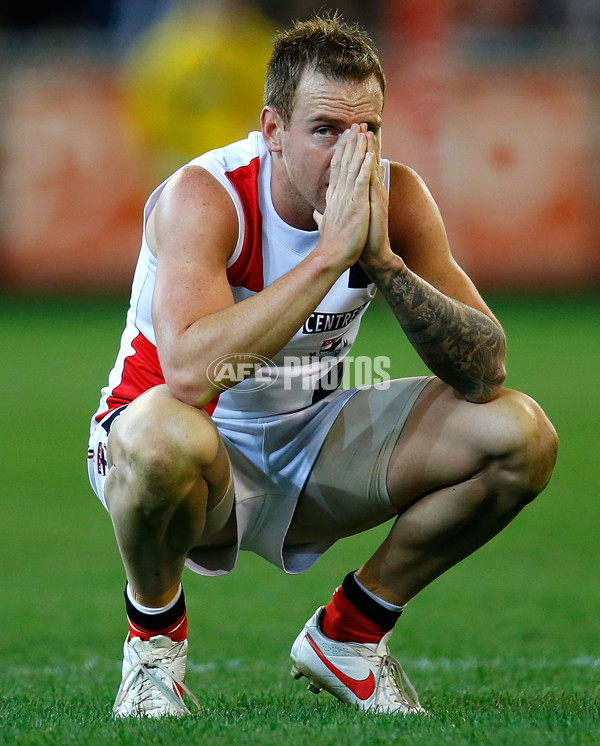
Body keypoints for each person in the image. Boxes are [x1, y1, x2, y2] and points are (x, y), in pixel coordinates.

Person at [87, 12, 558, 718]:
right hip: (181, 456)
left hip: (311, 443)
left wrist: (385, 264)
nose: (350, 153)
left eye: (367, 129)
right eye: (325, 130)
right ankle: (153, 649)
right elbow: (186, 376)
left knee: (519, 435)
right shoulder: (208, 197)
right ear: (272, 130)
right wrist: (331, 256)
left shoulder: (395, 199)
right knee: (161, 436)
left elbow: (485, 369)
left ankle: (352, 635)